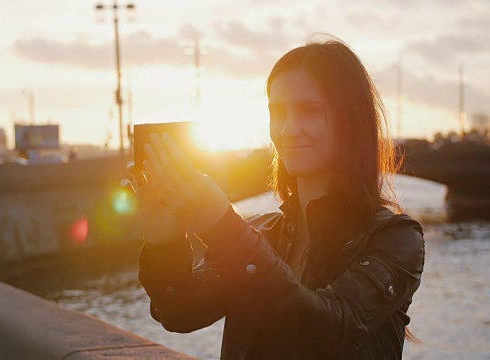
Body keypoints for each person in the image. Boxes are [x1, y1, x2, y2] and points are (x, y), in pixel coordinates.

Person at [124, 37, 425, 359]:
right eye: (278, 112)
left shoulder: (396, 238)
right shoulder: (262, 232)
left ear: (351, 121)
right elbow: (181, 312)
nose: (288, 129)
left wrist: (220, 226)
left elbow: (326, 327)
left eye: (310, 111)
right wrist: (164, 240)